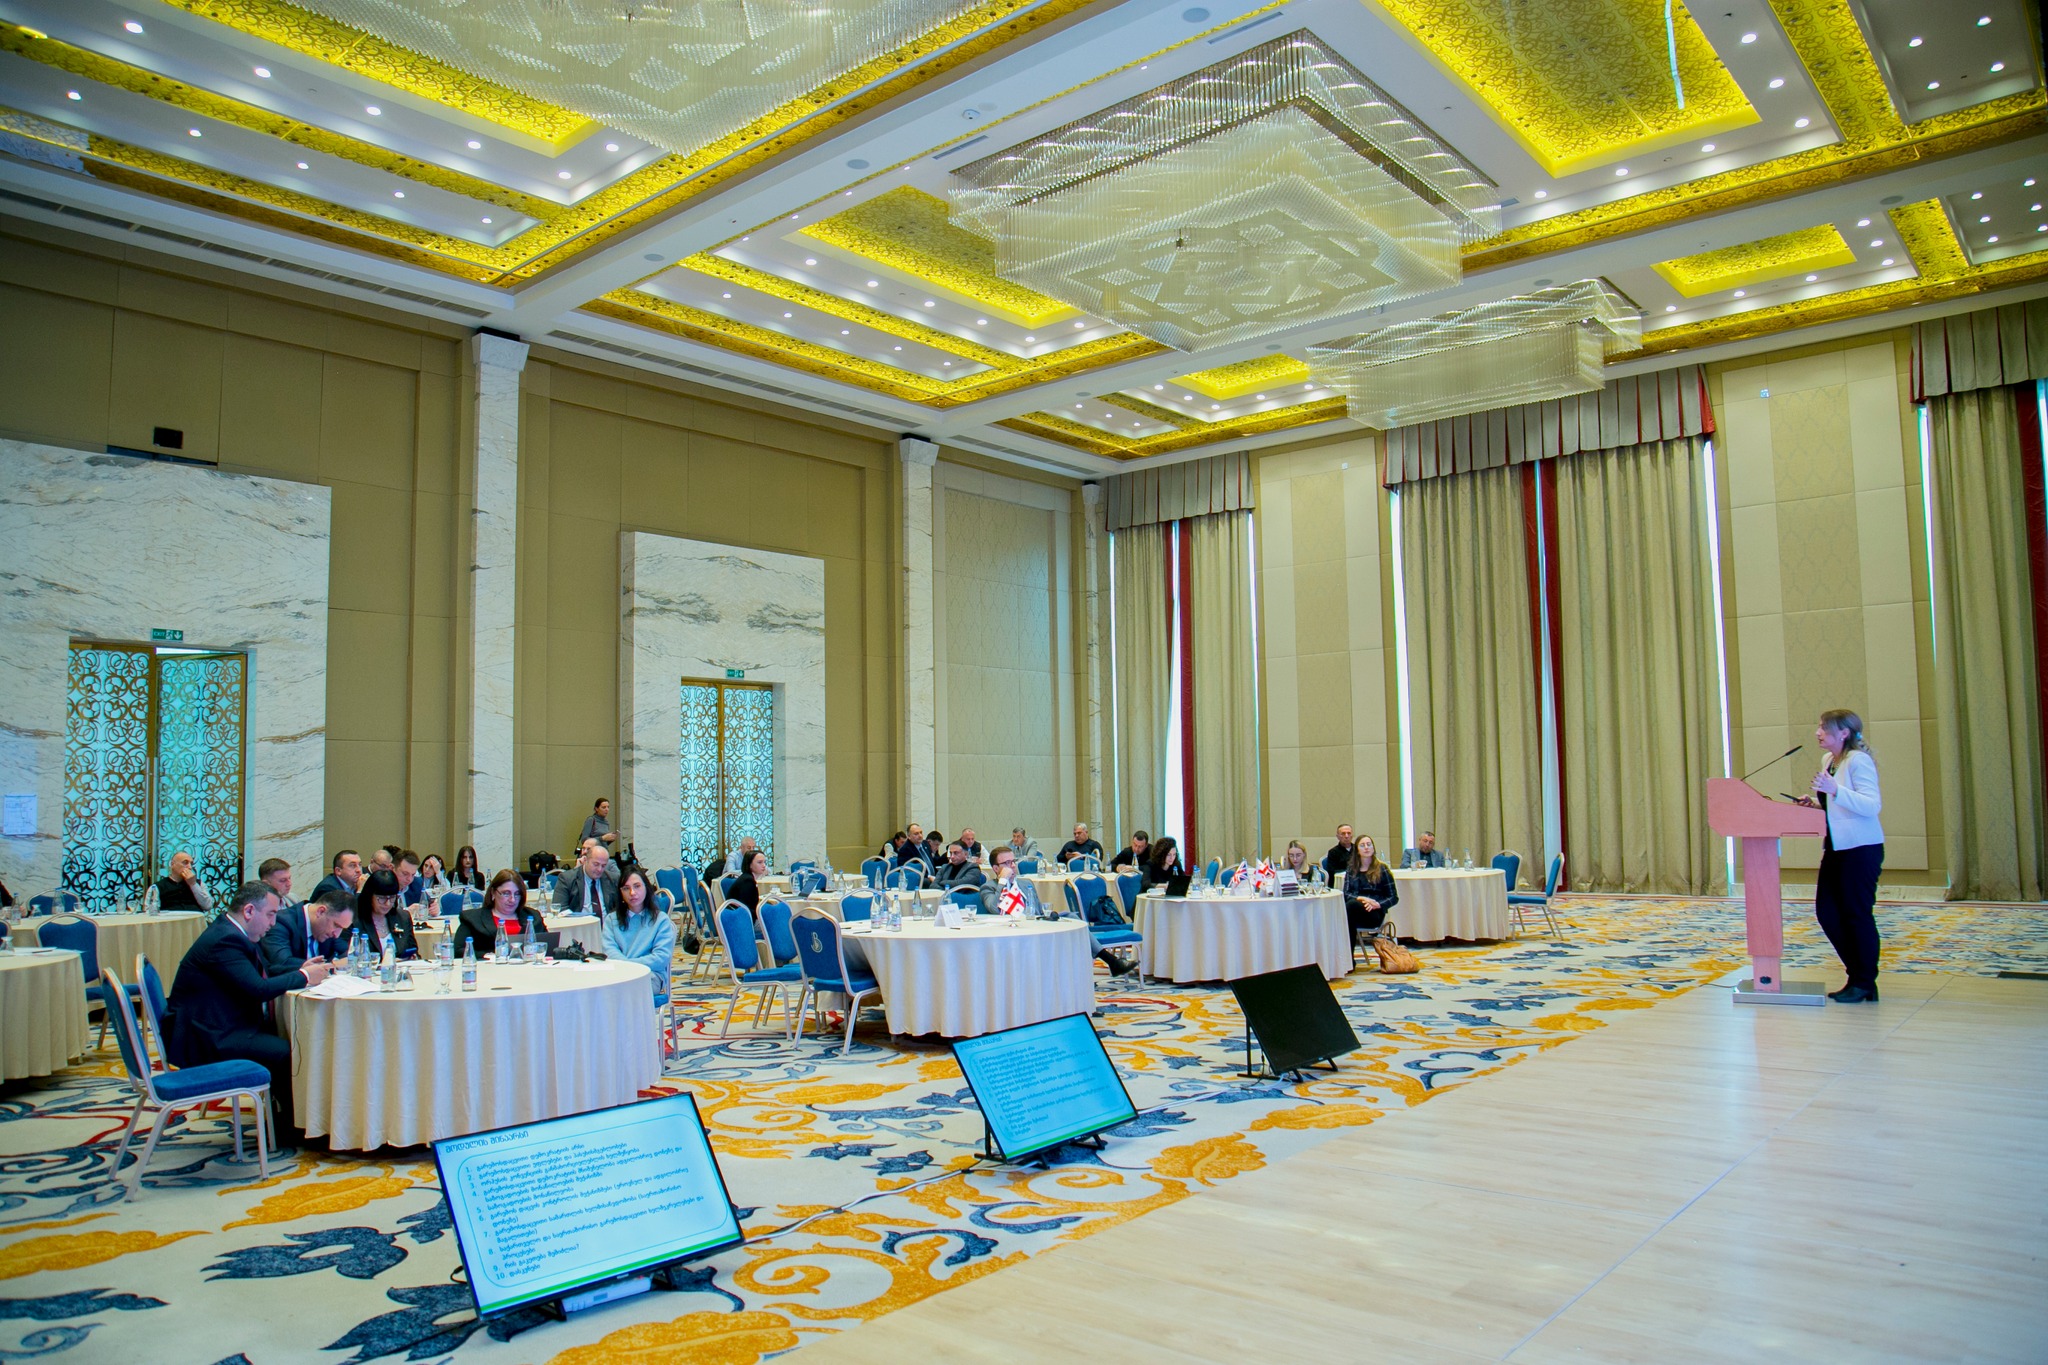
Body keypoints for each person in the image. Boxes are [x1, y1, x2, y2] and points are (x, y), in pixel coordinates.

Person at [162, 880, 329, 1139]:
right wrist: (304, 977)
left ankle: (289, 1118)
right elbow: (257, 989)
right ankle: (290, 1128)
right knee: (286, 1051)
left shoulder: (232, 931)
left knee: (286, 1037)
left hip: (217, 1021)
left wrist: (299, 968)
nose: (273, 923)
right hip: (207, 1036)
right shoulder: (226, 940)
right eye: (270, 914)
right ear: (249, 911)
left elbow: (259, 973)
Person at [1794, 708, 1885, 1002]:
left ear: (1843, 733)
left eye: (1824, 728)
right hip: (1836, 848)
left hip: (1861, 849)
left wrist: (1834, 790)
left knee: (1857, 915)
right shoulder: (1829, 760)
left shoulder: (1858, 761)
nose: (1817, 732)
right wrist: (1815, 803)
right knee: (1828, 913)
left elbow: (1871, 805)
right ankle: (1858, 976)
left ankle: (1864, 982)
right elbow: (1838, 806)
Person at [602, 868, 676, 1006]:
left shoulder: (660, 920)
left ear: (646, 888)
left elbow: (661, 958)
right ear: (620, 892)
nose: (632, 893)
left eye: (637, 886)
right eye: (626, 888)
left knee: (624, 991)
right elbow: (609, 951)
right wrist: (626, 968)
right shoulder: (611, 920)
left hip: (650, 975)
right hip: (618, 974)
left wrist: (629, 966)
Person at [261, 888, 354, 975]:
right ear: (321, 911)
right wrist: (323, 967)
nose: (337, 935)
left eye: (342, 928)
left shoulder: (329, 928)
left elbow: (346, 952)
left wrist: (337, 962)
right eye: (336, 925)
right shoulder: (282, 922)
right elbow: (281, 963)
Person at [458, 870, 549, 958]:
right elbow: (458, 950)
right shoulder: (473, 919)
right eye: (506, 893)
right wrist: (487, 956)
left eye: (517, 894)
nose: (512, 899)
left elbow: (548, 946)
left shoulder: (534, 917)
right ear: (493, 893)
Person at [351, 868, 419, 960]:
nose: (387, 903)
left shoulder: (403, 917)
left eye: (392, 897)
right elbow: (347, 956)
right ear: (370, 896)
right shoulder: (355, 920)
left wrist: (412, 957)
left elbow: (413, 951)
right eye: (382, 898)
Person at [1343, 835, 1399, 939]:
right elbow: (1346, 894)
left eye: (1369, 845)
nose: (1366, 848)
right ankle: (1348, 949)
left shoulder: (1382, 868)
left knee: (1349, 911)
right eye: (1362, 845)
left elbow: (1393, 897)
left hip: (1374, 912)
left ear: (1373, 848)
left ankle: (1347, 950)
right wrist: (1362, 898)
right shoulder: (1351, 869)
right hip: (1355, 910)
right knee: (1351, 910)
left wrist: (1378, 904)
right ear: (1357, 850)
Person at [554, 843, 617, 918]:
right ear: (585, 860)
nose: (599, 869)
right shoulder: (567, 878)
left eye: (603, 866)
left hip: (606, 924)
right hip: (578, 923)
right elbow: (560, 909)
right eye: (596, 864)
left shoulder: (613, 879)